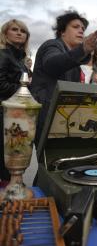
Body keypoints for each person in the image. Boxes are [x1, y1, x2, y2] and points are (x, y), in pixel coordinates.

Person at [31, 10, 97, 151]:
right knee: (44, 166)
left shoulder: (74, 62)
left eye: (83, 28)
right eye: (75, 27)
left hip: (63, 120)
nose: (81, 30)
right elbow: (52, 64)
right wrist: (83, 50)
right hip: (46, 118)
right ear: (62, 32)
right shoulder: (52, 45)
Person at [0, 19, 32, 184]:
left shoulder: (21, 60)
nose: (19, 33)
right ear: (5, 34)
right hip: (4, 114)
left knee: (15, 154)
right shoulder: (3, 54)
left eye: (23, 30)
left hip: (17, 114)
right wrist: (24, 89)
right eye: (14, 29)